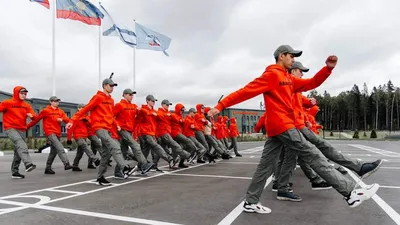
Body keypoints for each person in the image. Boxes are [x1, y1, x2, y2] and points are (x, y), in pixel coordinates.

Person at [208, 45, 380, 213]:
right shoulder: (272, 75)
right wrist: (220, 106)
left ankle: (251, 202)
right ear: (281, 56)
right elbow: (245, 92)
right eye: (291, 56)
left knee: (265, 166)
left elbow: (311, 83)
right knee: (312, 153)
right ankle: (350, 193)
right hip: (282, 125)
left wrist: (327, 69)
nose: (294, 60)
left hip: (278, 128)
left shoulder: (288, 79)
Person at [66, 75, 137, 185]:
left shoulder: (111, 100)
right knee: (115, 145)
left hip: (107, 128)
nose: (112, 88)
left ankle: (100, 177)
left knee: (106, 154)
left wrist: (116, 124)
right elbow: (85, 109)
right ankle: (124, 167)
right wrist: (72, 121)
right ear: (104, 86)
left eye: (113, 86)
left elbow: (110, 115)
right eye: (110, 85)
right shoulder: (98, 97)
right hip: (99, 127)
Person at [113, 89, 153, 179]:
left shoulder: (133, 106)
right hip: (122, 129)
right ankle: (144, 164)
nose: (132, 96)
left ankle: (118, 172)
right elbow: (111, 116)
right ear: (124, 95)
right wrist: (117, 125)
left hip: (129, 130)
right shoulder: (119, 105)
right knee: (135, 145)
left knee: (123, 151)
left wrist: (141, 110)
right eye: (130, 94)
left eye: (132, 95)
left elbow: (142, 114)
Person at [27, 96, 72, 174]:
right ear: (51, 102)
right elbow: (36, 120)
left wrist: (62, 120)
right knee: (59, 147)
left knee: (53, 152)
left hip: (58, 133)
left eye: (57, 101)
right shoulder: (45, 111)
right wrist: (27, 127)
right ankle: (66, 164)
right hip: (50, 132)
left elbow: (68, 120)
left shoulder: (60, 111)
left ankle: (48, 168)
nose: (56, 102)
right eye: (55, 101)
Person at [0, 86, 37, 178]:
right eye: (22, 93)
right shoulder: (7, 103)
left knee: (18, 151)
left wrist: (31, 116)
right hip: (10, 128)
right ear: (16, 93)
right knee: (21, 144)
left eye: (25, 94)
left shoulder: (26, 105)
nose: (24, 95)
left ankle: (15, 172)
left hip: (22, 129)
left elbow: (35, 117)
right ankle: (28, 164)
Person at [67, 104, 100, 171]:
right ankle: (95, 159)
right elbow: (70, 128)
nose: (83, 109)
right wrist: (69, 138)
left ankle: (75, 165)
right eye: (82, 108)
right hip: (78, 136)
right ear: (78, 108)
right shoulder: (75, 117)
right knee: (85, 147)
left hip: (84, 136)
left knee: (80, 152)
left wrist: (87, 121)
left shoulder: (86, 117)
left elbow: (91, 125)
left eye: (84, 108)